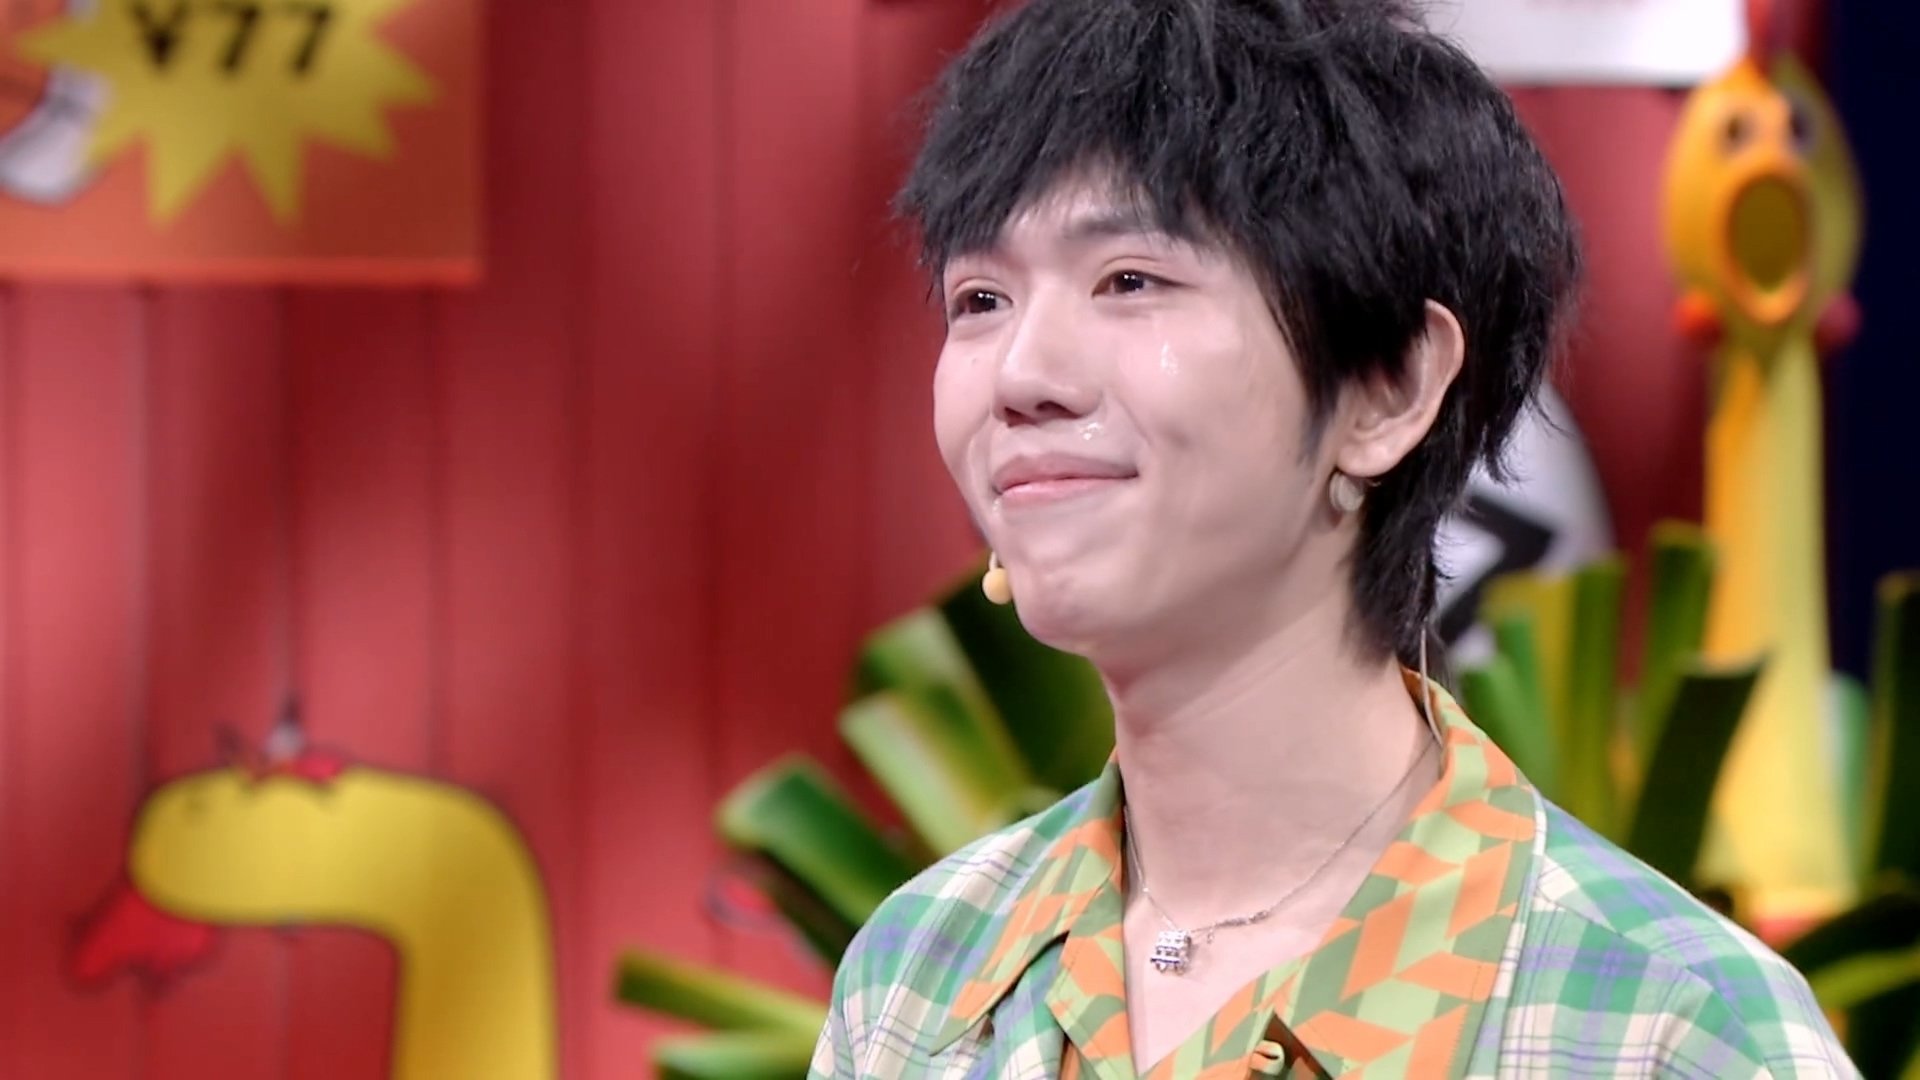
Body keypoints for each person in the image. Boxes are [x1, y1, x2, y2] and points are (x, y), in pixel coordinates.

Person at [811, 0, 1858, 1076]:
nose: (1022, 376)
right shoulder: (917, 981)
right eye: (980, 298)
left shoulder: (1670, 1026)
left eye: (1129, 280)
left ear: (1388, 387)